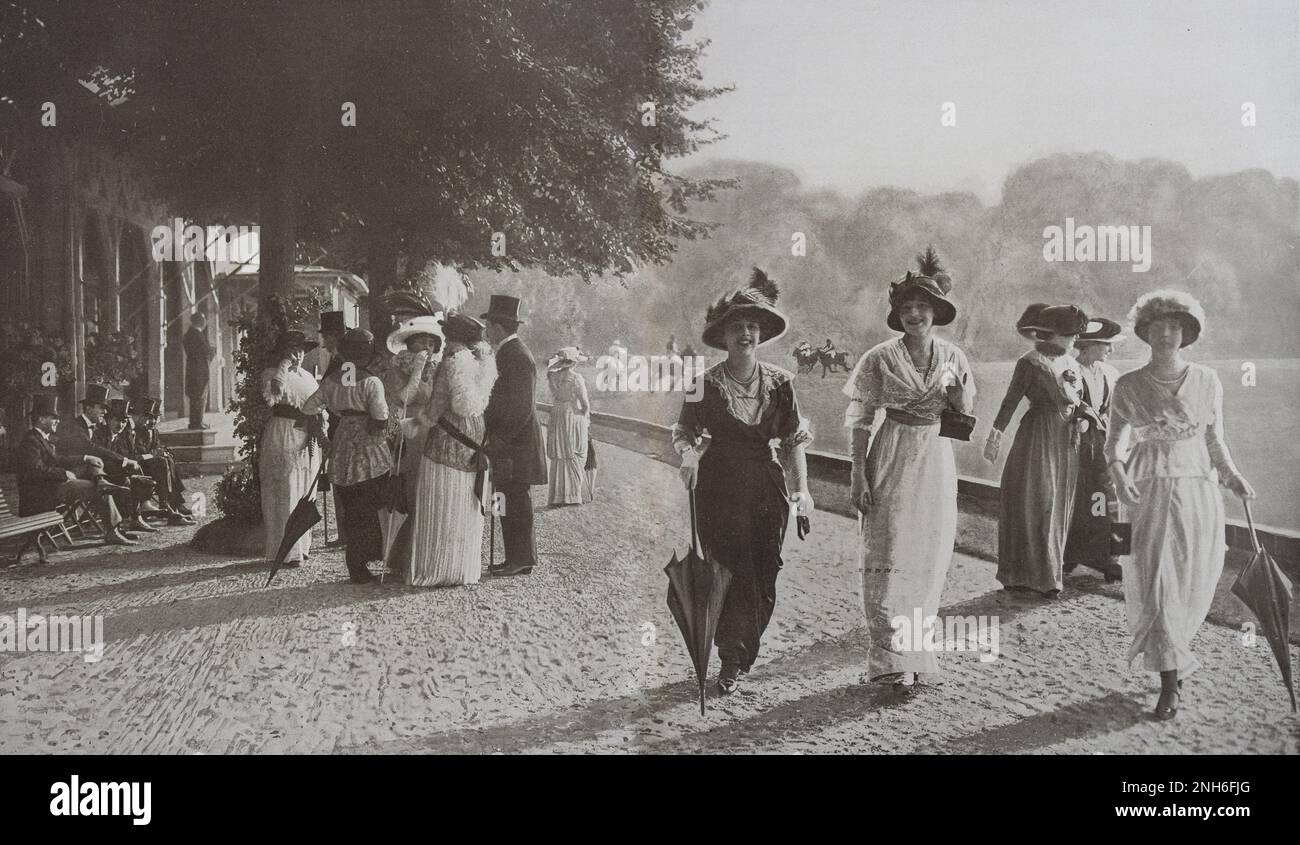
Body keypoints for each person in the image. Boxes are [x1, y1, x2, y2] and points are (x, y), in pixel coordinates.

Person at [1105, 291, 1254, 720]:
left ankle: (1175, 659)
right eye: (1159, 326)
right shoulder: (1128, 385)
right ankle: (1170, 682)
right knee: (1155, 580)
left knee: (1191, 581)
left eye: (1175, 326)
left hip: (1197, 492)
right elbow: (1114, 443)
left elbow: (1214, 440)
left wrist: (1233, 476)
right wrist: (1117, 473)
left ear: (1186, 333)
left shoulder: (1207, 380)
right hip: (1147, 490)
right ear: (1145, 331)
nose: (1167, 333)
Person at [674, 268, 813, 694]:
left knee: (765, 569)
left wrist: (802, 490)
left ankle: (742, 648)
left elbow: (791, 441)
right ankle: (730, 657)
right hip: (719, 486)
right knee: (730, 570)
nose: (746, 334)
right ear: (725, 335)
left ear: (762, 334)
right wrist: (689, 456)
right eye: (737, 327)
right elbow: (684, 433)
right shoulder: (702, 385)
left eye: (753, 326)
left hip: (766, 486)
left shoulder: (782, 384)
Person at [843, 249, 975, 691]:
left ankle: (919, 655)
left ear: (935, 311)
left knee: (928, 553)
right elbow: (860, 420)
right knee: (889, 551)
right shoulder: (879, 358)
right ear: (897, 315)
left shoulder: (953, 356)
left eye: (921, 307)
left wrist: (956, 394)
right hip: (893, 451)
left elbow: (965, 413)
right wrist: (858, 475)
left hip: (935, 457)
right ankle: (889, 660)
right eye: (906, 308)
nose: (914, 314)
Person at [984, 303, 1088, 600]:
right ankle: (1021, 575)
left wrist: (1082, 418)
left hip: (1066, 441)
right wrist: (996, 434)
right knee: (1035, 501)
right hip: (1037, 438)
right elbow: (1011, 400)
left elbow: (1078, 402)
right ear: (1051, 334)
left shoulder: (1072, 364)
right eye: (1069, 335)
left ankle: (1049, 575)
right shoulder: (1029, 362)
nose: (1073, 341)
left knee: (1057, 505)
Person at [406, 312, 497, 587]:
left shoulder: (449, 364)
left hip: (446, 440)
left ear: (453, 338)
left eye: (447, 337)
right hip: (473, 439)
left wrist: (414, 422)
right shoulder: (483, 363)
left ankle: (436, 568)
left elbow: (435, 409)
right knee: (463, 504)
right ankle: (462, 568)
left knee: (441, 501)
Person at [302, 329, 394, 584]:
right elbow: (380, 418)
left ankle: (356, 563)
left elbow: (309, 407)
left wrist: (323, 438)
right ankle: (368, 559)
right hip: (369, 449)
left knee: (351, 508)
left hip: (342, 445)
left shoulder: (332, 379)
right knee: (371, 506)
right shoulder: (371, 381)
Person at [481, 295, 548, 577]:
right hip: (512, 442)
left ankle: (520, 558)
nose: (485, 330)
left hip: (515, 443)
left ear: (498, 327)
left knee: (515, 500)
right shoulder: (511, 352)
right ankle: (518, 557)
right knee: (507, 499)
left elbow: (521, 406)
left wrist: (499, 440)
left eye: (489, 324)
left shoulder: (516, 356)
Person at [15, 393, 135, 546]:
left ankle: (101, 481)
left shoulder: (42, 438)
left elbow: (59, 459)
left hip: (53, 484)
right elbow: (35, 471)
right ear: (41, 419)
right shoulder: (30, 441)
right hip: (43, 492)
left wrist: (85, 457)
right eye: (53, 418)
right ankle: (112, 531)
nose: (57, 421)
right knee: (100, 490)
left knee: (92, 464)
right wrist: (63, 473)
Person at [381, 314, 444, 577]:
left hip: (429, 430)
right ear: (410, 343)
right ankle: (403, 558)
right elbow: (403, 397)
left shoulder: (435, 369)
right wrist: (417, 369)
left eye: (432, 343)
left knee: (430, 490)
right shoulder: (397, 366)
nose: (427, 349)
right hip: (407, 431)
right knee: (411, 491)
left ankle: (426, 555)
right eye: (422, 342)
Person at [258, 329, 325, 569]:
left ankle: (301, 545)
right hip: (283, 432)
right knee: (284, 489)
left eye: (300, 350)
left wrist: (321, 422)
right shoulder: (272, 374)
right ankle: (284, 550)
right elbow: (272, 396)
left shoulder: (308, 376)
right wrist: (284, 365)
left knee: (306, 488)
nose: (297, 355)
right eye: (291, 350)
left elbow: (318, 401)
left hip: (307, 434)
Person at [1063, 317, 1123, 582]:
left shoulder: (1111, 373)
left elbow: (1115, 411)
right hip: (1077, 444)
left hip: (1104, 444)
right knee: (1080, 497)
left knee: (1112, 497)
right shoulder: (1070, 371)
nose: (1110, 350)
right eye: (1106, 345)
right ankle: (1071, 553)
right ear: (1088, 346)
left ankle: (1115, 558)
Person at [58, 384, 156, 537]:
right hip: (73, 472)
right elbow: (91, 448)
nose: (104, 412)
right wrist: (123, 460)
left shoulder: (93, 427)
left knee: (126, 477)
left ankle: (134, 518)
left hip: (92, 470)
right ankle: (118, 528)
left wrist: (125, 463)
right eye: (101, 408)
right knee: (113, 483)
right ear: (88, 408)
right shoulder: (75, 426)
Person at [130, 398, 195, 524]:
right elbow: (140, 453)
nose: (152, 421)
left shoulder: (154, 431)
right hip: (142, 466)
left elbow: (158, 446)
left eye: (155, 418)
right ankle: (166, 504)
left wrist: (163, 452)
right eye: (149, 418)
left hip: (154, 465)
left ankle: (175, 503)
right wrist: (154, 454)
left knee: (168, 459)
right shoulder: (137, 432)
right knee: (162, 462)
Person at [545, 347, 592, 506]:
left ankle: (557, 496)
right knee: (574, 451)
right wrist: (585, 418)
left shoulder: (552, 376)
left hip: (557, 412)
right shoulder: (576, 378)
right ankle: (572, 496)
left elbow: (555, 393)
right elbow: (585, 404)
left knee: (560, 453)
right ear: (574, 363)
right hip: (570, 413)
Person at [319, 310, 348, 545]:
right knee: (338, 479)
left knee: (342, 478)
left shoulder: (345, 362)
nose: (324, 342)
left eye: (327, 336)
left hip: (342, 426)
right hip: (336, 426)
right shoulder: (336, 359)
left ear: (336, 336)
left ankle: (347, 533)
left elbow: (345, 395)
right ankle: (344, 531)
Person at [183, 312, 215, 430]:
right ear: (201, 321)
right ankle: (197, 423)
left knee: (196, 397)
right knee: (199, 396)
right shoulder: (197, 334)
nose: (205, 322)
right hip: (198, 370)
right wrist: (212, 351)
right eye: (204, 319)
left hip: (193, 369)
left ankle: (196, 422)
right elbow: (204, 352)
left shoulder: (190, 334)